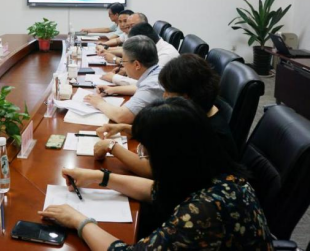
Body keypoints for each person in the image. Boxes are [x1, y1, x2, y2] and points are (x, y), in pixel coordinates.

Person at [39, 98, 273, 251]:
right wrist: (99, 177)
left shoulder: (204, 211)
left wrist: (79, 221)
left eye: (146, 151)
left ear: (170, 156)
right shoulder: (216, 173)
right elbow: (155, 190)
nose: (143, 155)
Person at [93, 54, 238, 179]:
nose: (164, 96)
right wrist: (126, 128)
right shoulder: (202, 110)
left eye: (168, 91)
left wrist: (112, 147)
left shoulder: (204, 134)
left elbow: (152, 170)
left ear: (185, 97)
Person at [84, 36, 163, 123]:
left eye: (123, 62)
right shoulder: (157, 72)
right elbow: (140, 88)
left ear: (137, 65)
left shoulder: (152, 84)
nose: (123, 65)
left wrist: (99, 103)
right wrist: (112, 90)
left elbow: (122, 117)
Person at [101, 22, 179, 87]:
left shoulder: (166, 55)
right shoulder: (151, 48)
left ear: (143, 41)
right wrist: (127, 70)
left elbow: (149, 84)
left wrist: (114, 78)